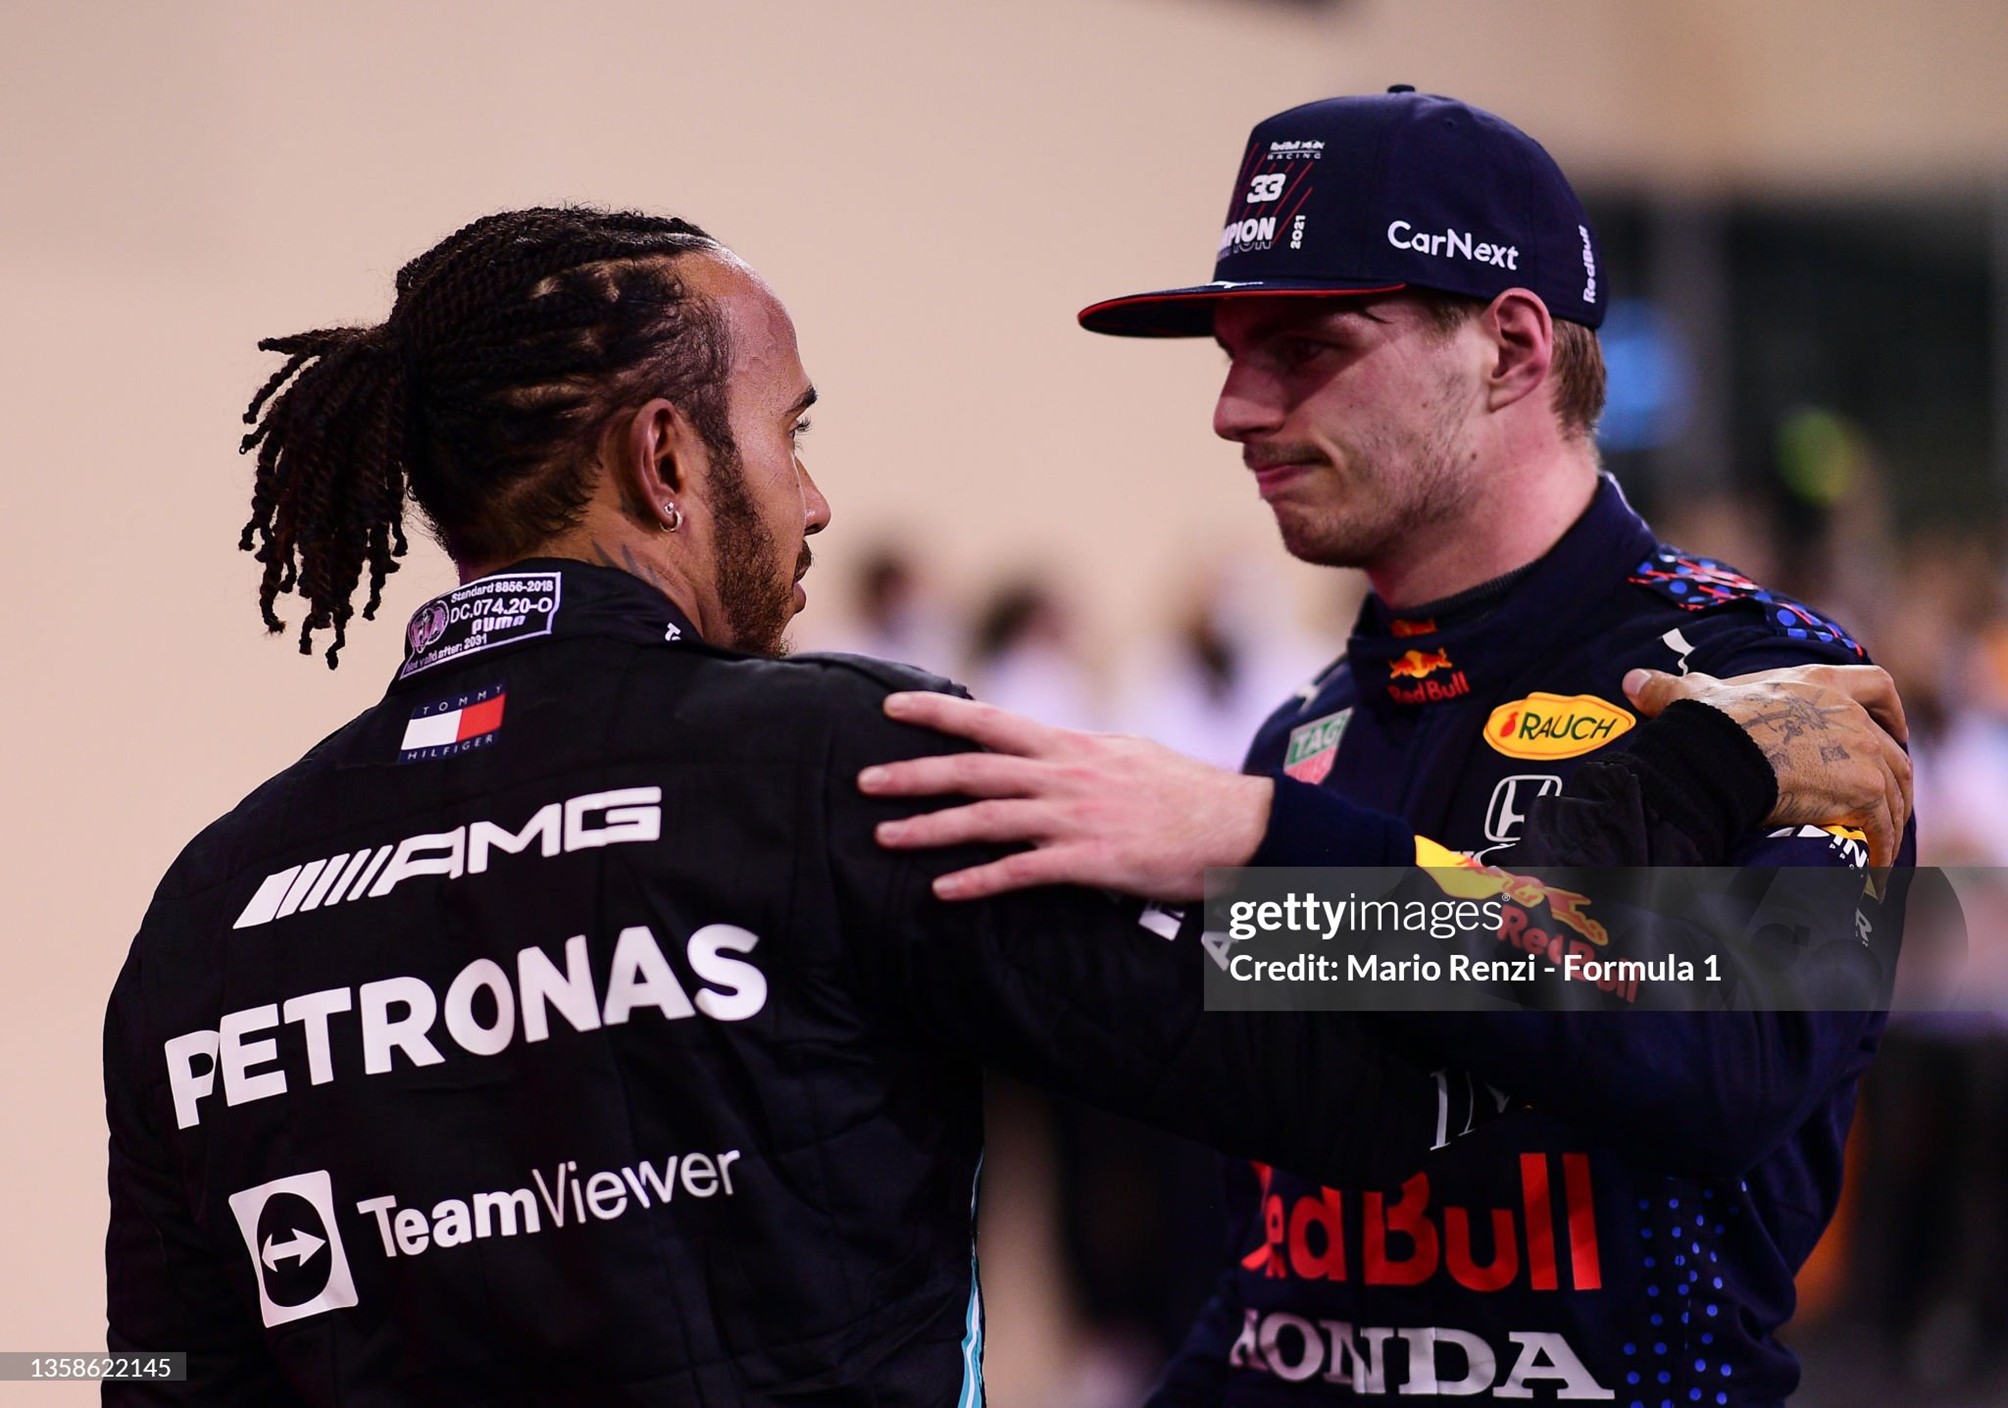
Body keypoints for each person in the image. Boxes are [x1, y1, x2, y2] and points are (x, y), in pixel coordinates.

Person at [103, 207, 1903, 1406]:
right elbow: (1377, 1079)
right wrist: (1734, 811)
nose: (812, 504)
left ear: (1516, 347)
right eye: (792, 430)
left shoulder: (203, 908)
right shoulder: (842, 766)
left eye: (1303, 343)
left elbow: (148, 1377)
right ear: (666, 459)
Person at [861, 90, 1916, 1405]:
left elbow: (1733, 1062)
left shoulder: (1783, 685)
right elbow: (1290, 1241)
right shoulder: (1302, 733)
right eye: (1233, 352)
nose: (1234, 409)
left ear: (1513, 348)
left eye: (1304, 347)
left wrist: (1261, 848)